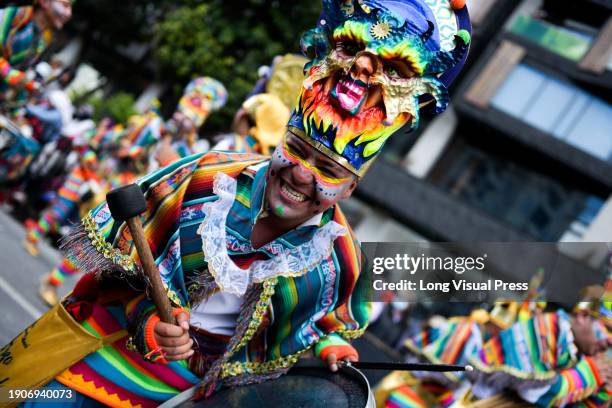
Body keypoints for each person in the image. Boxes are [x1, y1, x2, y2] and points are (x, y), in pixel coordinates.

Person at [4, 0, 471, 405]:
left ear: (350, 188)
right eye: (298, 151)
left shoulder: (337, 255)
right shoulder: (209, 176)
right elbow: (119, 265)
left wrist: (331, 348)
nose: (302, 175)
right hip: (96, 360)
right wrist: (148, 318)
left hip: (188, 395)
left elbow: (323, 318)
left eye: (327, 170)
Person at [0, 0, 73, 107]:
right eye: (65, 5)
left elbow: (18, 73)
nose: (69, 13)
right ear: (44, 2)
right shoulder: (12, 14)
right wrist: (13, 76)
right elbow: (13, 74)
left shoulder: (40, 42)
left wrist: (17, 107)